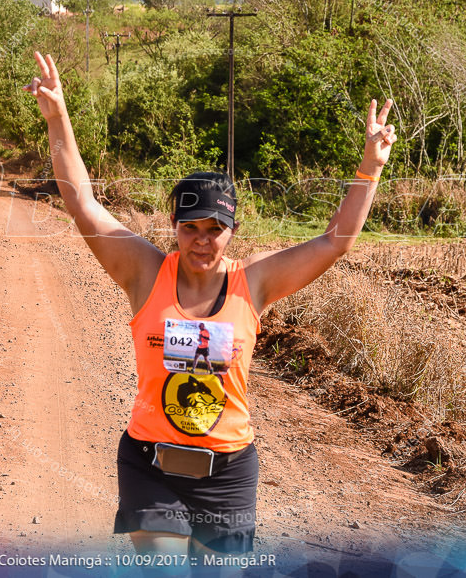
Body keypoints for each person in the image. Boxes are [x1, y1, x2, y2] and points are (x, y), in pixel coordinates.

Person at [23, 51, 396, 565]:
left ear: (232, 230)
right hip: (150, 465)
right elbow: (83, 202)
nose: (202, 241)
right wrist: (56, 116)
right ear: (173, 226)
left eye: (214, 230)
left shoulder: (255, 283)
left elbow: (335, 241)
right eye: (190, 228)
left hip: (229, 471)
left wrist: (369, 168)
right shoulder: (145, 272)